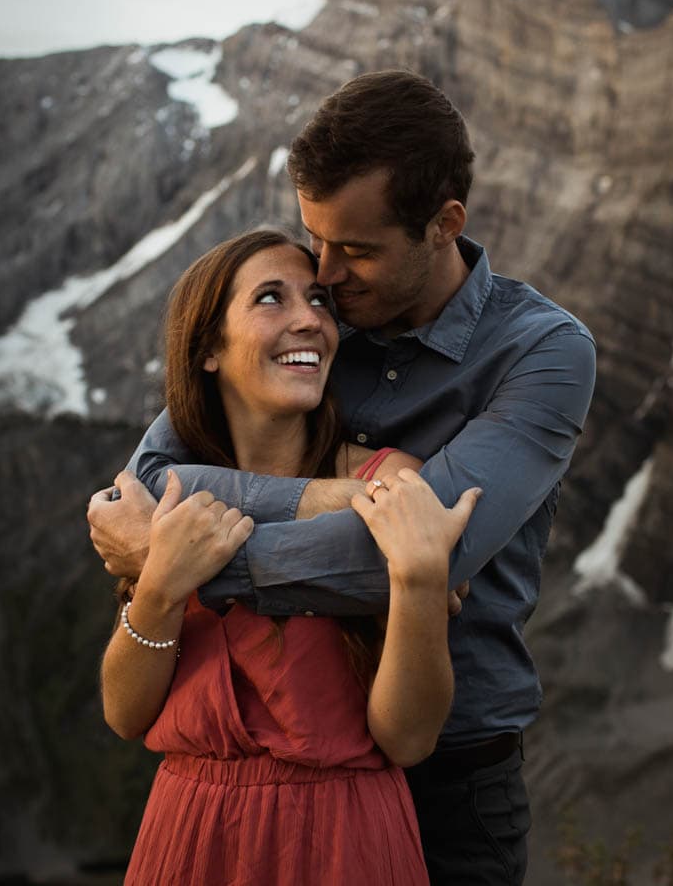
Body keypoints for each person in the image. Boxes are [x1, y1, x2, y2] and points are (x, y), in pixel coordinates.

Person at [90, 70, 597, 883]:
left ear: (444, 225)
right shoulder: (315, 321)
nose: (324, 273)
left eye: (356, 250)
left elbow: (416, 555)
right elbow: (156, 474)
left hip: (452, 771)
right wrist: (327, 499)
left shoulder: (541, 352)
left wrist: (184, 561)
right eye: (314, 239)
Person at [102, 229, 481, 885]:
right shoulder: (162, 498)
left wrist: (419, 584)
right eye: (271, 299)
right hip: (188, 842)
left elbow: (408, 739)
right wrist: (161, 587)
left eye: (319, 303)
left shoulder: (393, 482)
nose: (309, 319)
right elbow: (125, 713)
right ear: (209, 348)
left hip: (343, 843)